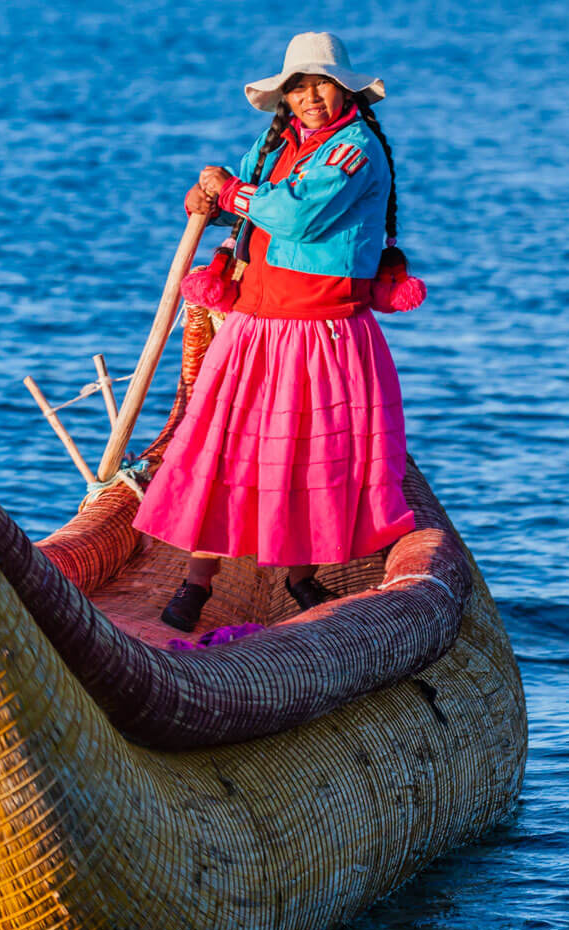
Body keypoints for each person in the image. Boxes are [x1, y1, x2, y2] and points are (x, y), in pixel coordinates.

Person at [132, 31, 418, 631]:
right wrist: (205, 195)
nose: (311, 96)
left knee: (312, 456)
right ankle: (196, 583)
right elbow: (239, 188)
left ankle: (300, 577)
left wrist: (230, 193)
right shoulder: (276, 145)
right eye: (299, 87)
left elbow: (296, 216)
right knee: (225, 449)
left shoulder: (353, 149)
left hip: (319, 333)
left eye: (322, 84)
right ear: (284, 97)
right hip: (256, 326)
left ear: (346, 91)